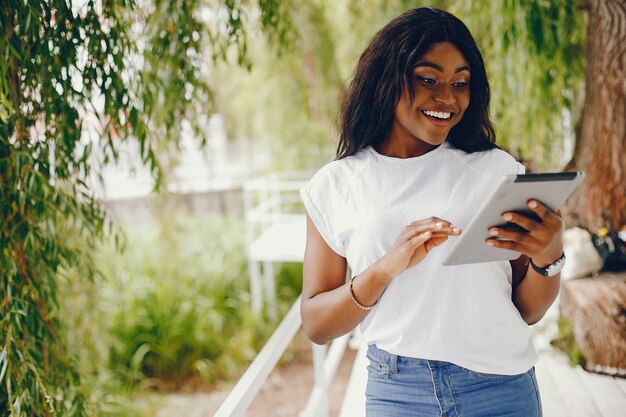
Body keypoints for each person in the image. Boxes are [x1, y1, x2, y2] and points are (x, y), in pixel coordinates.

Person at [299, 7, 564, 417]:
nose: (447, 98)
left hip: (501, 390)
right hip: (397, 392)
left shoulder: (496, 170)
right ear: (386, 80)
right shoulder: (336, 185)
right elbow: (317, 325)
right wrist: (385, 268)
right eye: (428, 79)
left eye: (461, 83)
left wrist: (549, 257)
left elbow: (527, 311)